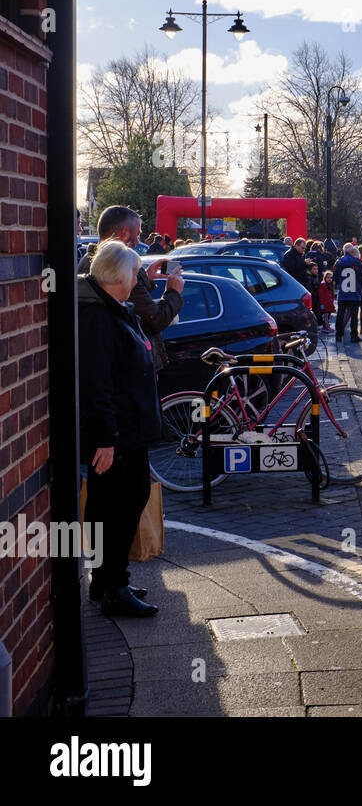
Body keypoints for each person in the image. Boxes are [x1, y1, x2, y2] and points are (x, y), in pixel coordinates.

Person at [79, 241, 162, 618]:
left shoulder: (112, 309)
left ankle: (106, 580)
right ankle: (114, 586)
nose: (137, 279)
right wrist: (107, 439)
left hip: (128, 431)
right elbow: (97, 385)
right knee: (120, 505)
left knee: (108, 505)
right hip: (118, 435)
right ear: (118, 276)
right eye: (134, 273)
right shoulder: (99, 318)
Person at [77, 205, 184, 370]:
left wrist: (146, 277)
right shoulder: (116, 266)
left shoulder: (93, 260)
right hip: (129, 366)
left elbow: (127, 298)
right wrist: (173, 293)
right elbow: (154, 319)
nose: (140, 240)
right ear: (125, 233)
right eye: (139, 233)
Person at [332, 244, 362, 343]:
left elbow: (334, 278)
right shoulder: (357, 262)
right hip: (354, 293)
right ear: (352, 252)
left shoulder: (338, 263)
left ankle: (338, 335)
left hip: (343, 293)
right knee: (354, 316)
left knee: (340, 314)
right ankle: (353, 335)